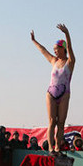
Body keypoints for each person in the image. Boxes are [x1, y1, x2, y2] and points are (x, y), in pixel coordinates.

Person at [31, 23, 76, 155]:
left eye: (56, 49)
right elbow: (43, 50)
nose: (55, 51)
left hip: (64, 94)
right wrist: (34, 41)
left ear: (63, 49)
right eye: (54, 49)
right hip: (51, 93)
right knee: (52, 121)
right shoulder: (53, 61)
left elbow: (71, 47)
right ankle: (50, 147)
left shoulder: (70, 62)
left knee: (61, 122)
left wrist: (67, 34)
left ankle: (57, 147)